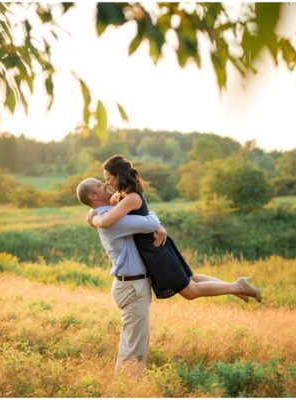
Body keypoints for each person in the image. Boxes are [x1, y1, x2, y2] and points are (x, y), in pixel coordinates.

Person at [87, 155, 262, 304]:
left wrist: (93, 219)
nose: (106, 183)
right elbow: (104, 206)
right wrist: (92, 211)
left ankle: (238, 286)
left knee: (190, 292)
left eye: (108, 177)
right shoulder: (122, 195)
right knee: (191, 281)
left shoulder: (131, 197)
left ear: (119, 175)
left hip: (154, 248)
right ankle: (235, 287)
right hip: (155, 247)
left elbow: (106, 220)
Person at [76, 177, 164, 377]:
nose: (106, 185)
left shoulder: (106, 216)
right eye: (100, 185)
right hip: (132, 287)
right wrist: (158, 223)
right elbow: (150, 222)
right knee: (133, 346)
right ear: (93, 196)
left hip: (132, 285)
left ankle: (131, 385)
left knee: (136, 342)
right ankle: (126, 389)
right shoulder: (111, 221)